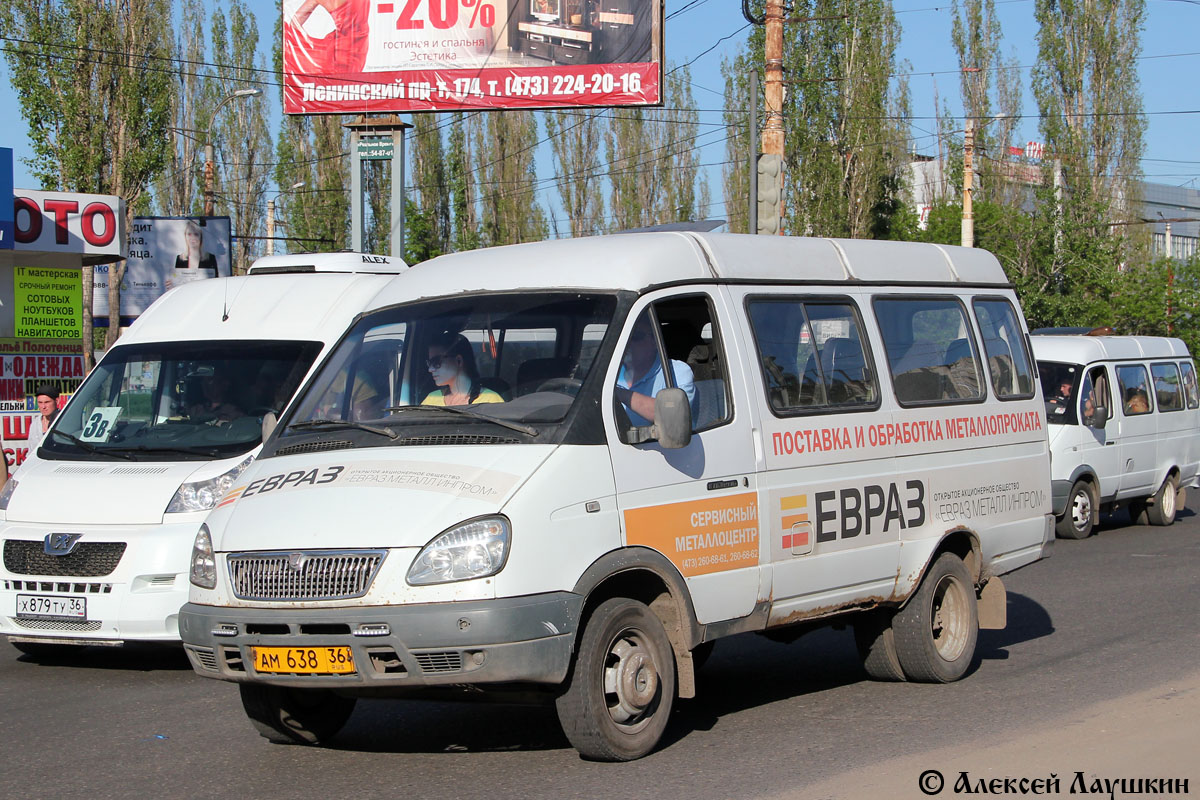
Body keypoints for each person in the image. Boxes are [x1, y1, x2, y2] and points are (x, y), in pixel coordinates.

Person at [614, 314, 695, 427]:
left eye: (635, 336)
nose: (626, 343)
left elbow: (674, 416)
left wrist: (618, 393)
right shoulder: (610, 372)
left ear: (654, 341)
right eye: (622, 338)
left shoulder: (676, 371)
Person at [422, 332, 504, 407]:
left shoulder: (491, 401)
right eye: (429, 363)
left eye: (436, 361)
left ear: (459, 360)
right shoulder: (431, 399)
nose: (430, 369)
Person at [23, 385, 61, 465]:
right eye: (40, 403)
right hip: (37, 466)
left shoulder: (63, 421)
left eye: (47, 402)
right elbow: (31, 451)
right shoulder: (35, 423)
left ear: (56, 401)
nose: (43, 407)